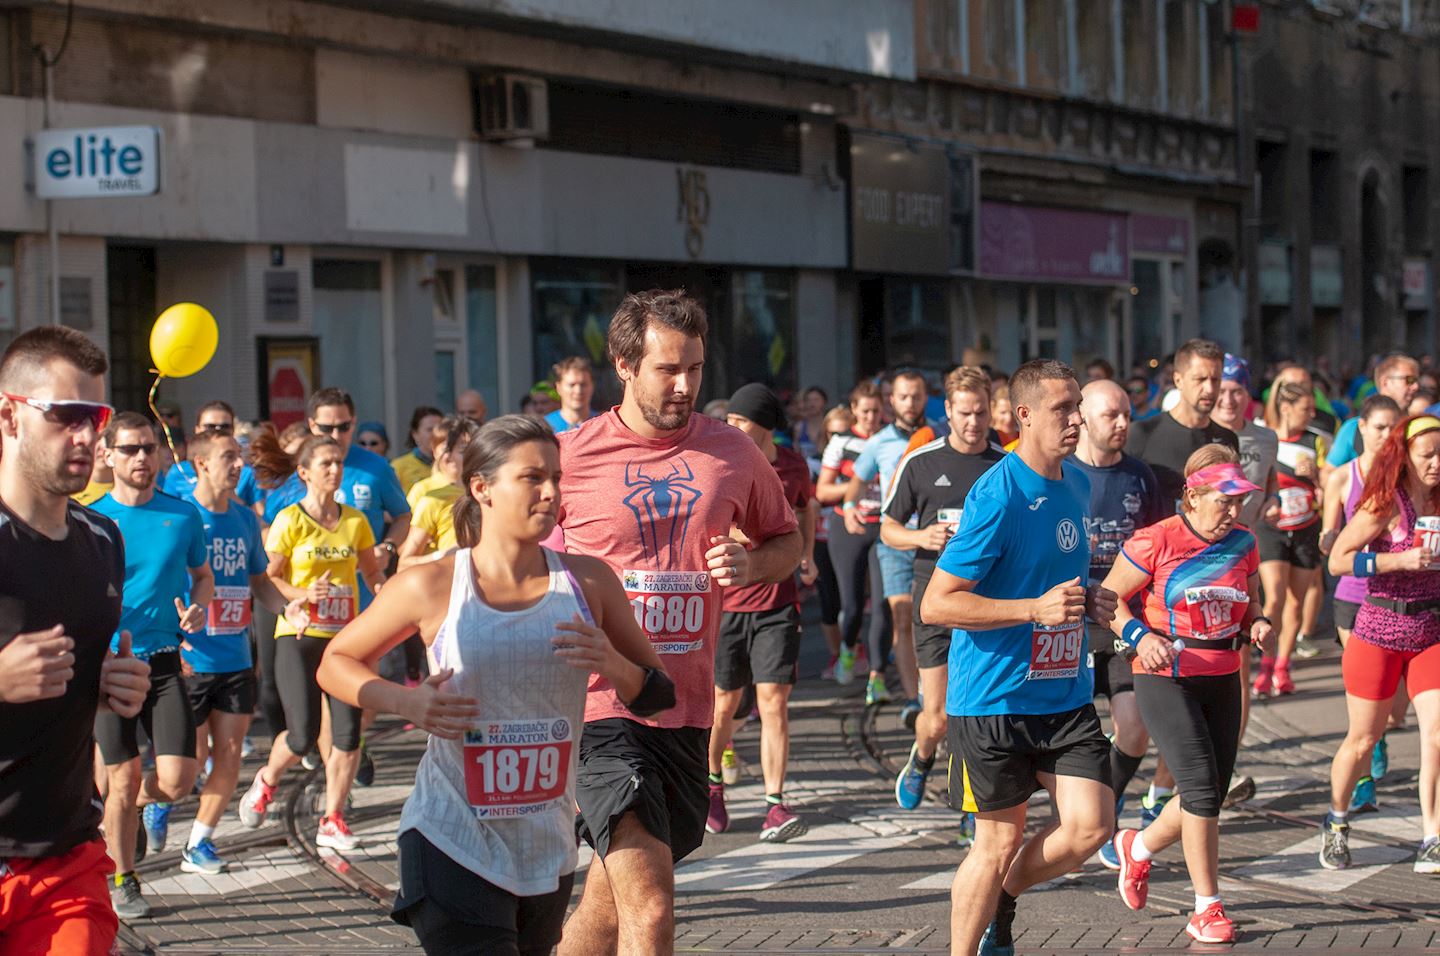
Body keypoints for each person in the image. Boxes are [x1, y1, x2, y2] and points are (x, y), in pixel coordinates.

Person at [317, 415, 673, 955]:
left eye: (556, 477)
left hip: (545, 849)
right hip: (450, 838)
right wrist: (408, 701)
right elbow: (335, 660)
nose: (551, 491)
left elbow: (659, 693)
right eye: (532, 478)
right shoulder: (432, 584)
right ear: (481, 487)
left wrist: (613, 664)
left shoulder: (590, 582)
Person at [554, 290, 801, 956]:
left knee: (608, 908)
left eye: (695, 367)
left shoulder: (732, 452)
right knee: (653, 905)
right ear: (625, 365)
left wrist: (753, 563)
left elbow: (788, 541)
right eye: (669, 369)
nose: (686, 384)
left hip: (685, 710)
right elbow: (516, 563)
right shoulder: (569, 454)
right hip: (601, 708)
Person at [921, 359, 1117, 956]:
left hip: (1063, 693)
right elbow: (937, 604)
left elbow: (1055, 580)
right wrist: (1034, 609)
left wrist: (1092, 598)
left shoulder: (1077, 482)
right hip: (993, 700)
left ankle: (1002, 897)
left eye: (1078, 406)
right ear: (1025, 415)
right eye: (1063, 409)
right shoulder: (998, 494)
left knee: (1091, 827)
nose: (1076, 419)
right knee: (995, 842)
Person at [0, 328, 150, 955]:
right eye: (65, 417)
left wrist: (117, 687)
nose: (88, 437)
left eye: (98, 417)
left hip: (66, 855)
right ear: (10, 415)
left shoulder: (104, 539)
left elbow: (78, 684)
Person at [1102, 445, 1272, 944]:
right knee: (1200, 788)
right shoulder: (1156, 540)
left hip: (1223, 673)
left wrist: (1258, 621)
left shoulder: (1244, 542)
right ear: (1193, 496)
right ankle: (1206, 908)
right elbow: (1106, 600)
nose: (1234, 511)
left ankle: (1137, 847)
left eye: (1240, 500)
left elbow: (1252, 600)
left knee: (1210, 794)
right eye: (1225, 500)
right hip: (1165, 673)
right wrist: (1139, 637)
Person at [90, 412, 214, 919]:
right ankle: (124, 877)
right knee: (119, 778)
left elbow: (201, 576)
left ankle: (127, 812)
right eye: (130, 449)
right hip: (109, 668)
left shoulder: (182, 515)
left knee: (179, 780)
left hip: (163, 664)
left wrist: (200, 606)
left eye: (149, 448)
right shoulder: (91, 519)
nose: (142, 457)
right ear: (108, 456)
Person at [239, 435, 386, 850]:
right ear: (304, 472)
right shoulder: (289, 519)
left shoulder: (355, 521)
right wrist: (302, 596)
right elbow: (268, 577)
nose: (334, 470)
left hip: (345, 641)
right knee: (301, 736)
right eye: (325, 463)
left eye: (338, 462)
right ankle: (267, 780)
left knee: (347, 734)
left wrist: (388, 596)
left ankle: (332, 818)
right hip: (300, 636)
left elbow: (372, 573)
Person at [177, 428, 309, 875]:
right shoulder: (181, 517)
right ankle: (152, 804)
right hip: (191, 656)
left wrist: (289, 608)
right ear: (201, 464)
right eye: (229, 457)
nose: (239, 465)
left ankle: (199, 841)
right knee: (190, 762)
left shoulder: (244, 518)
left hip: (234, 656)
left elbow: (259, 583)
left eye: (240, 457)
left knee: (230, 751)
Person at [886, 367, 1003, 844]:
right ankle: (923, 754)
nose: (973, 423)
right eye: (964, 414)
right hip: (931, 596)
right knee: (936, 717)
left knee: (975, 711)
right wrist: (921, 535)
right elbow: (887, 527)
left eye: (981, 413)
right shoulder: (921, 460)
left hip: (984, 600)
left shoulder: (1005, 464)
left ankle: (971, 807)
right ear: (948, 412)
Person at [1125, 338, 1239, 824]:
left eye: (1217, 378)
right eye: (1201, 378)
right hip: (1153, 592)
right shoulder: (1145, 435)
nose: (1211, 388)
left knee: (1205, 721)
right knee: (1139, 724)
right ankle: (1111, 798)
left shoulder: (1224, 441)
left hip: (1214, 596)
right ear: (1177, 380)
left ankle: (1161, 795)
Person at [1323, 413, 1440, 874]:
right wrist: (1400, 560)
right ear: (1405, 456)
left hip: (1430, 631)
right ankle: (1336, 820)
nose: (1436, 464)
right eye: (1427, 456)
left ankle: (1432, 834)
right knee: (1363, 739)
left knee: (1436, 733)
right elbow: (1338, 560)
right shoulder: (1384, 502)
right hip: (1379, 632)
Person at [706, 384, 814, 843]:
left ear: (765, 427)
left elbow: (806, 509)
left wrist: (804, 553)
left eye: (739, 421)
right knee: (725, 705)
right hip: (727, 604)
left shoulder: (792, 465)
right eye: (727, 420)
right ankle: (712, 786)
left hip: (777, 602)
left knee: (774, 702)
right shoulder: (722, 462)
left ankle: (774, 802)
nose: (730, 428)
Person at [1069, 378, 1163, 859]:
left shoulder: (1140, 476)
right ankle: (1082, 819)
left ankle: (1112, 798)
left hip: (1124, 620)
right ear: (1083, 417)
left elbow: (1158, 547)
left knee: (1134, 727)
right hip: (1070, 625)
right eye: (1112, 415)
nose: (1124, 423)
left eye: (1127, 413)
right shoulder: (1061, 473)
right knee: (1074, 732)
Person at [1210, 354, 1278, 805]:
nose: (1230, 399)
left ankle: (1226, 765)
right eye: (1222, 390)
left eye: (1238, 390)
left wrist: (1269, 507)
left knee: (1237, 668)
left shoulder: (1265, 438)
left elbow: (1269, 489)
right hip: (1194, 562)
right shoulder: (1201, 437)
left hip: (1242, 560)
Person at [842, 369, 931, 708]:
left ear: (926, 399)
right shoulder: (879, 442)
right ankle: (913, 701)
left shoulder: (936, 436)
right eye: (904, 396)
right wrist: (850, 506)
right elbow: (857, 481)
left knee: (928, 618)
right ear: (891, 400)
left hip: (930, 540)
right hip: (893, 541)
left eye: (917, 396)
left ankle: (931, 690)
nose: (910, 403)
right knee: (903, 616)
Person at [1252, 381, 1327, 696]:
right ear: (1285, 408)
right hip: (1272, 529)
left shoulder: (1316, 441)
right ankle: (1266, 665)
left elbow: (1328, 490)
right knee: (1276, 597)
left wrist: (1316, 476)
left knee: (1296, 601)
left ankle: (1283, 666)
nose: (1311, 413)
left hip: (1306, 528)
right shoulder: (1265, 438)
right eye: (1305, 408)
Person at [817, 383, 884, 686]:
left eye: (876, 411)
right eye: (865, 411)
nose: (871, 417)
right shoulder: (841, 442)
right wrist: (857, 485)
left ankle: (878, 671)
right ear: (854, 410)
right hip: (848, 526)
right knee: (853, 604)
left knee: (884, 604)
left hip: (884, 527)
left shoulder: (891, 439)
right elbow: (822, 491)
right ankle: (848, 650)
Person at [398, 417, 482, 569]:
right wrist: (442, 555)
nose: (448, 456)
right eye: (464, 450)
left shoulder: (493, 493)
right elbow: (404, 559)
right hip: (446, 584)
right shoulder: (430, 497)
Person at [160, 400, 267, 509]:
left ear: (233, 430)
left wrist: (232, 500)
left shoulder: (246, 472)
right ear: (197, 429)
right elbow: (168, 516)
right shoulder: (179, 472)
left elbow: (260, 521)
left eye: (225, 427)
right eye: (210, 427)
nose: (217, 432)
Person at [812, 405, 853, 675]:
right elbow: (812, 500)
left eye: (844, 432)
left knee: (851, 600)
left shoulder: (859, 457)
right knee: (829, 600)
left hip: (848, 533)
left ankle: (852, 648)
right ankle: (835, 654)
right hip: (821, 536)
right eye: (833, 432)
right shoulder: (815, 461)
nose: (838, 438)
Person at [1327, 352, 1420, 471]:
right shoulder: (1354, 428)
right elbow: (1329, 474)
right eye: (1409, 380)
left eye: (1417, 381)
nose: (1416, 386)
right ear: (1385, 382)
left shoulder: (1418, 428)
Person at [391, 406, 444, 496]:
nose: (436, 434)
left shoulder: (453, 466)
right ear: (415, 434)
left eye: (439, 429)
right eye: (429, 429)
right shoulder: (398, 467)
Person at [545, 356, 597, 434]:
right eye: (571, 385)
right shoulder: (546, 427)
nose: (578, 391)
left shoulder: (605, 425)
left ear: (592, 386)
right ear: (558, 388)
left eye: (583, 385)